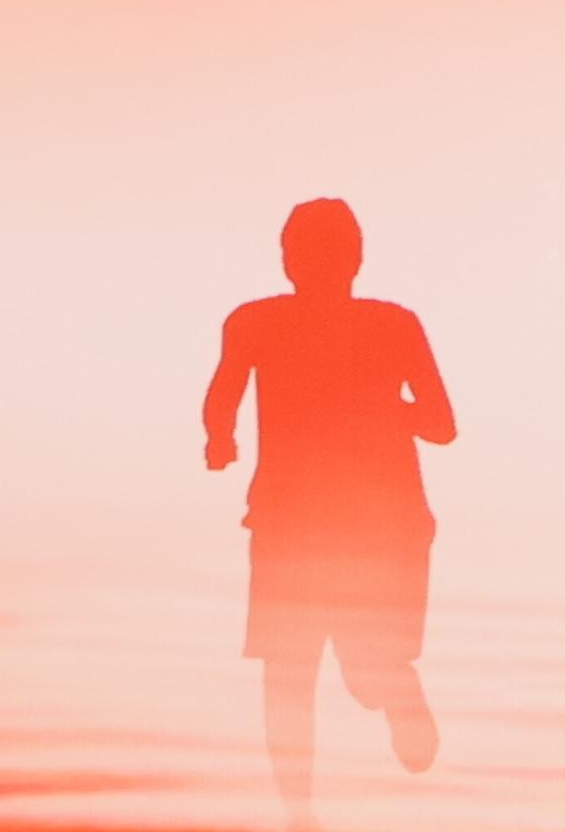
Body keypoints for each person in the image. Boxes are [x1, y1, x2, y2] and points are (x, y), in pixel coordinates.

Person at [203, 198, 453, 829]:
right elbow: (224, 392)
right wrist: (219, 436)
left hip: (364, 528)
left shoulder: (386, 326)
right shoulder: (261, 324)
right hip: (310, 525)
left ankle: (389, 690)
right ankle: (301, 814)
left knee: (335, 675)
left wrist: (221, 440)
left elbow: (442, 424)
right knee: (294, 674)